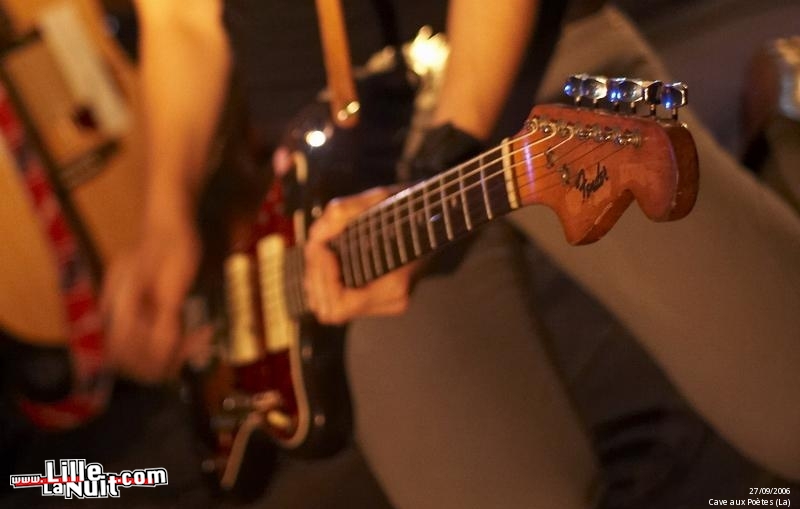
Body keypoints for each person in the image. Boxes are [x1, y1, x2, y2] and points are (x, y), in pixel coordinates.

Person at [101, 1, 800, 508]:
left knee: (783, 400)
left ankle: (780, 131)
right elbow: (180, 21)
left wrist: (445, 156)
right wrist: (164, 220)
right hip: (335, 174)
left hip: (539, 69)